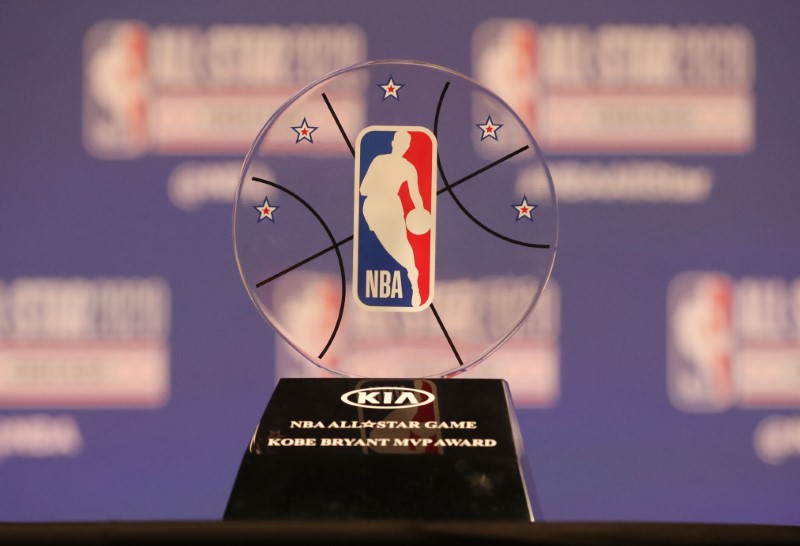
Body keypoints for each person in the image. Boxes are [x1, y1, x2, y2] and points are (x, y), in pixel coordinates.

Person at [360, 131, 425, 307]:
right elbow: (363, 189)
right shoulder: (380, 161)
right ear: (394, 143)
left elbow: (415, 194)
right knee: (387, 247)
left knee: (400, 247)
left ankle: (413, 279)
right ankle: (412, 275)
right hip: (374, 207)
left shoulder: (407, 167)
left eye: (405, 144)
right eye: (400, 142)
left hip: (391, 207)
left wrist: (420, 212)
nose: (402, 146)